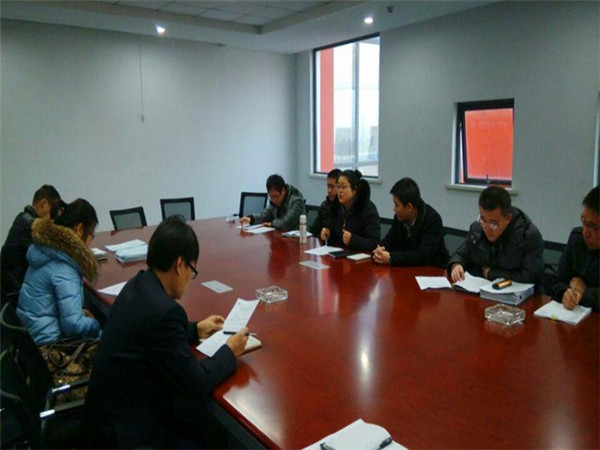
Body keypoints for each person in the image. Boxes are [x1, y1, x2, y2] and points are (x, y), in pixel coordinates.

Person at [81, 216, 249, 449]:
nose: (190, 278)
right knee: (207, 430)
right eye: (192, 270)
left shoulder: (137, 284)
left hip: (104, 421)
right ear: (180, 264)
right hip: (129, 436)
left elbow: (152, 334)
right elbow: (197, 382)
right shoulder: (166, 312)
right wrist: (229, 351)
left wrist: (195, 329)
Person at [16, 198, 101, 345]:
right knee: (110, 339)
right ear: (80, 229)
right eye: (91, 234)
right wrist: (97, 325)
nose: (90, 242)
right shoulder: (65, 266)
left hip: (30, 339)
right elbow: (73, 325)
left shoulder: (46, 249)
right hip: (50, 347)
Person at [448, 186, 544, 287]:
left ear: (508, 218)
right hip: (480, 290)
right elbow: (460, 254)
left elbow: (530, 277)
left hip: (515, 294)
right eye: (483, 220)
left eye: (493, 223)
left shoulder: (528, 236)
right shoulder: (477, 229)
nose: (487, 228)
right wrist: (456, 264)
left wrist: (491, 273)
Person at [1, 185, 63, 296]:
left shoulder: (23, 219)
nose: (53, 217)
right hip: (13, 293)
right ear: (43, 204)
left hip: (10, 289)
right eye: (53, 209)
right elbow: (53, 251)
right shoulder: (30, 225)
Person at [373, 177, 449, 267]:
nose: (394, 209)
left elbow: (423, 255)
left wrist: (391, 257)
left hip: (433, 270)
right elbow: (389, 240)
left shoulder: (433, 220)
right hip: (407, 269)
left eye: (397, 205)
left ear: (409, 207)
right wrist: (379, 251)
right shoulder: (399, 218)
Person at [550, 186, 599, 311]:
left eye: (593, 227)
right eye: (584, 222)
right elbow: (555, 281)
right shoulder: (577, 240)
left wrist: (585, 292)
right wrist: (565, 293)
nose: (586, 232)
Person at [320, 170, 380, 252]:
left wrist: (352, 239)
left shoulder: (367, 209)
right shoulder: (336, 207)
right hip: (341, 254)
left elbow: (374, 243)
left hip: (361, 256)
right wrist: (327, 235)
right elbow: (336, 236)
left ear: (354, 189)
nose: (340, 191)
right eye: (338, 187)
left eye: (344, 187)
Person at [240, 174, 306, 231]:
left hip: (297, 238)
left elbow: (287, 223)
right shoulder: (274, 201)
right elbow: (264, 215)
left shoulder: (297, 200)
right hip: (279, 234)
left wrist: (272, 223)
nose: (274, 200)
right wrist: (251, 218)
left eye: (275, 196)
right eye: (271, 197)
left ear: (283, 191)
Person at [310, 168, 341, 235]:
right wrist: (320, 235)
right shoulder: (325, 206)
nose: (329, 190)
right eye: (328, 186)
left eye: (332, 187)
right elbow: (313, 231)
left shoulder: (344, 208)